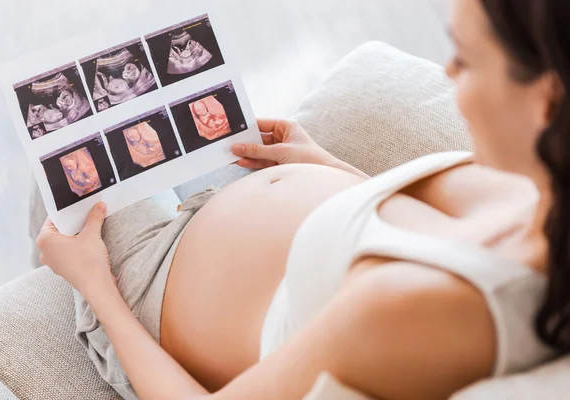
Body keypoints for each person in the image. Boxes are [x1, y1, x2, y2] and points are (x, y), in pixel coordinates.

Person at [36, 0, 570, 399]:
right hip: (256, 192)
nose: (448, 73)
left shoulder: (417, 310)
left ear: (546, 101)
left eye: (467, 60)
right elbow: (421, 234)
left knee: (53, 172)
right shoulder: (540, 197)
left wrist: (93, 286)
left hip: (152, 281)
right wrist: (324, 166)